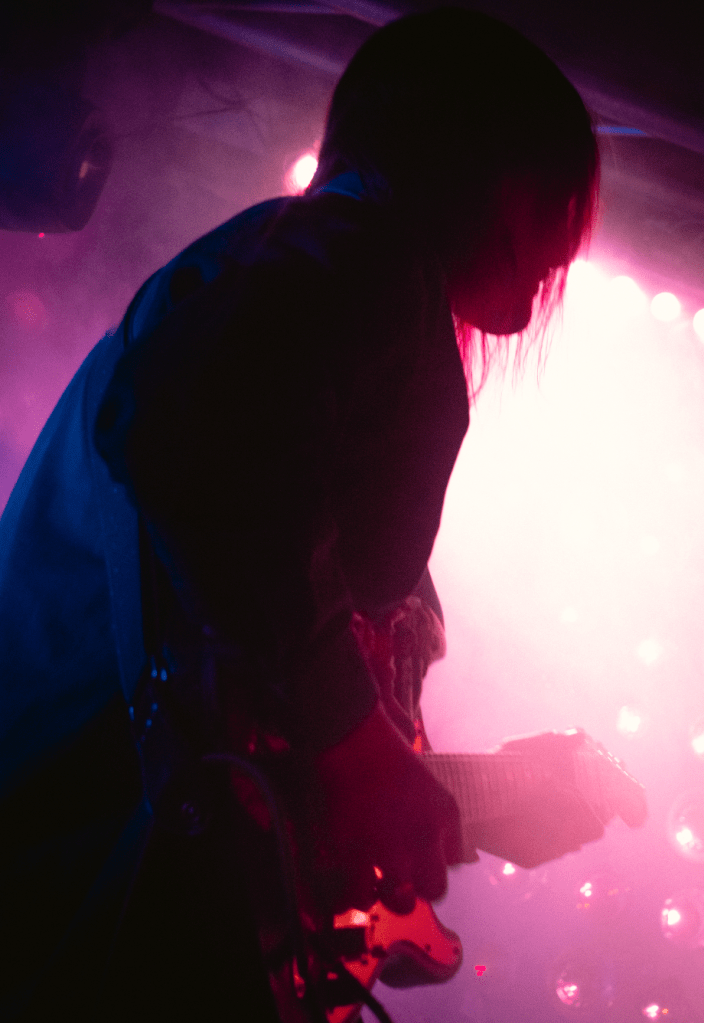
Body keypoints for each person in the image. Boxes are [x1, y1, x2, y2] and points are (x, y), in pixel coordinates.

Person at [0, 7, 599, 1021]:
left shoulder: (312, 281)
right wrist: (358, 749)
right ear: (490, 170)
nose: (570, 237)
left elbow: (262, 740)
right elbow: (187, 437)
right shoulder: (364, 250)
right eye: (558, 187)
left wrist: (454, 797)